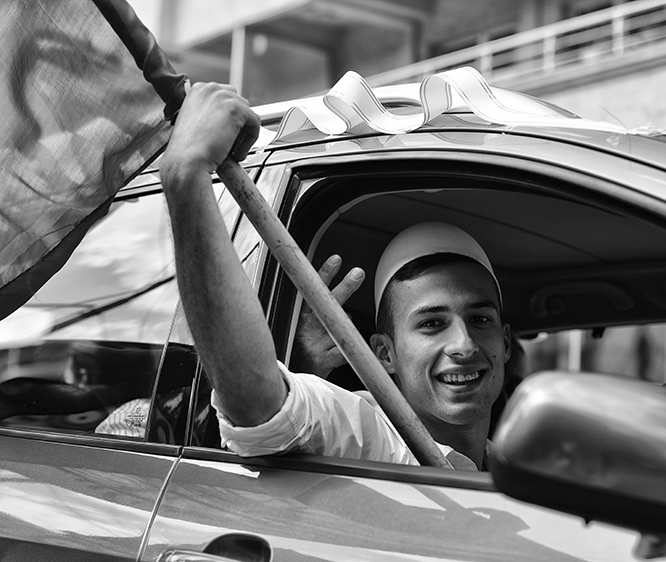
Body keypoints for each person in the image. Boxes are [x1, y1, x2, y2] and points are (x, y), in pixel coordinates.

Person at [161, 83, 510, 470]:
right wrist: (185, 173)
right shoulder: (372, 439)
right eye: (432, 323)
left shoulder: (525, 469)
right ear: (385, 354)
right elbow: (258, 406)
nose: (464, 345)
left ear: (506, 342)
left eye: (480, 319)